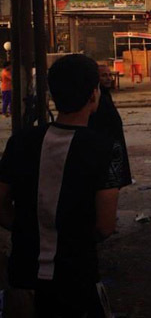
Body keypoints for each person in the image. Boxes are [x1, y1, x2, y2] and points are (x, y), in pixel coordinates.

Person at [0, 54, 120, 316]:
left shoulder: (20, 142)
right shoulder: (106, 149)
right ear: (93, 96)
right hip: (76, 277)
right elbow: (105, 225)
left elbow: (1, 203)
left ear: (53, 95)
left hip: (24, 274)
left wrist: (24, 227)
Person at [89, 64, 133, 187]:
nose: (108, 78)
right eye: (104, 76)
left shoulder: (105, 96)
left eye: (109, 75)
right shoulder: (98, 99)